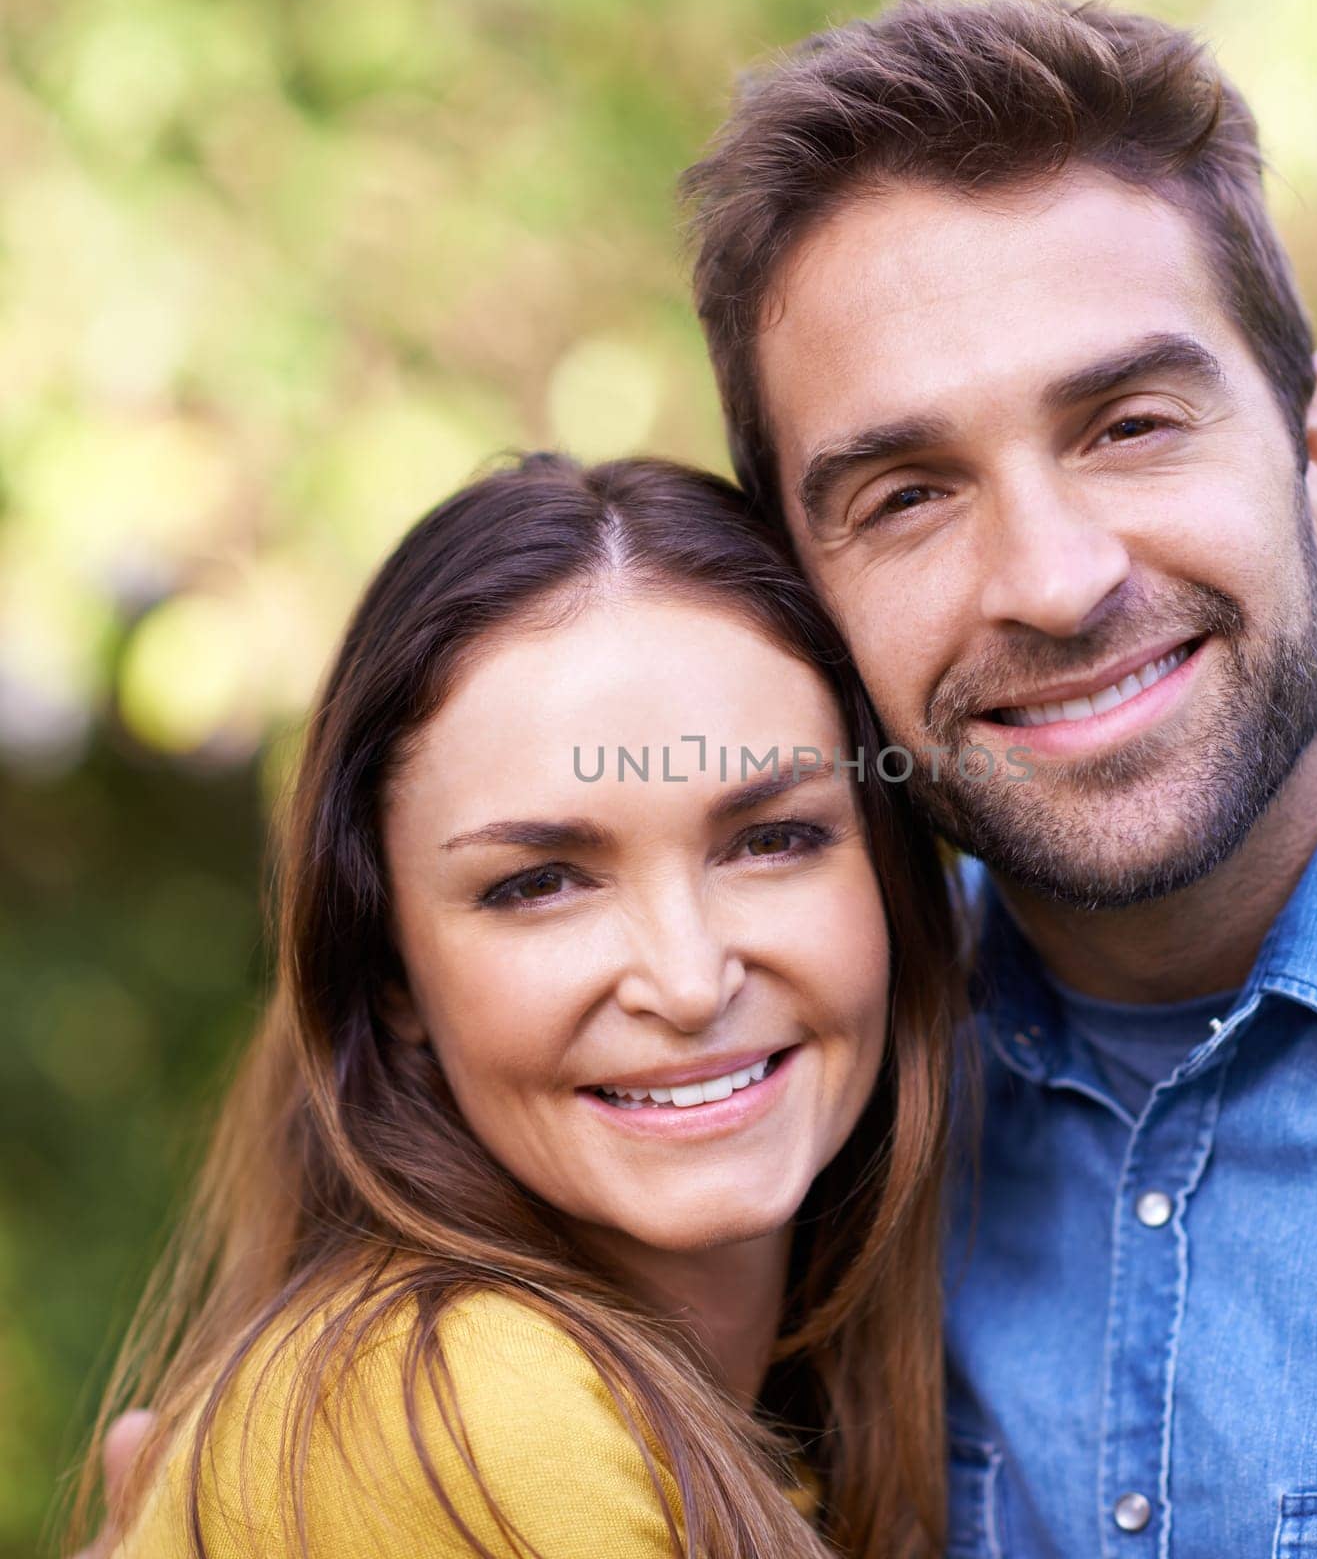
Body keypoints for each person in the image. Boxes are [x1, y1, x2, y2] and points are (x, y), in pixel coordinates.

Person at [680, 0, 1317, 1557]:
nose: (1050, 576)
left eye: (1127, 424)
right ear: (798, 597)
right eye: (906, 495)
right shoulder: (767, 1106)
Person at [69, 454, 965, 1558]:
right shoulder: (454, 1420)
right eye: (539, 882)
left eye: (772, 838)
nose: (688, 982)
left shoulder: (767, 1429)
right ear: (390, 976)